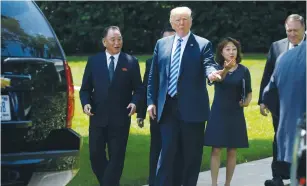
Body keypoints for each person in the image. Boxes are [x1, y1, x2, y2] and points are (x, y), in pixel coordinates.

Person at [147, 7, 235, 186]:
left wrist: (212, 74)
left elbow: (208, 64)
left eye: (185, 19)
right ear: (172, 22)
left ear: (191, 21)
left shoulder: (203, 44)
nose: (181, 23)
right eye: (177, 20)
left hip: (192, 110)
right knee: (166, 155)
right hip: (167, 108)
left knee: (191, 157)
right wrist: (150, 102)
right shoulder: (161, 44)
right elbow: (153, 76)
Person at [79, 26, 143, 186]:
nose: (117, 43)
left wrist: (135, 102)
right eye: (113, 39)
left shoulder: (131, 62)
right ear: (104, 42)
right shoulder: (94, 61)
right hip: (97, 117)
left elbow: (140, 89)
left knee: (117, 157)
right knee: (95, 155)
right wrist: (86, 103)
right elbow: (85, 89)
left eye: (119, 39)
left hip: (121, 118)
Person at [258, 14, 305, 186]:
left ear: (304, 28)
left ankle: (300, 177)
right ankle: (278, 176)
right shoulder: (277, 46)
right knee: (279, 138)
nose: (292, 34)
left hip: (301, 105)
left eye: (295, 30)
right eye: (289, 31)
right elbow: (268, 74)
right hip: (280, 105)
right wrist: (262, 101)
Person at [204, 37, 252, 186]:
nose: (231, 52)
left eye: (234, 49)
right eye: (228, 49)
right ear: (221, 52)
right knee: (216, 149)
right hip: (218, 112)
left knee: (232, 150)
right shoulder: (216, 68)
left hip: (236, 113)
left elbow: (249, 92)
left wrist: (246, 102)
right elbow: (217, 79)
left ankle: (227, 183)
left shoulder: (244, 70)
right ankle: (214, 184)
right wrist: (225, 69)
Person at [137, 28, 179, 186]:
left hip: (177, 112)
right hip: (157, 113)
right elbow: (147, 87)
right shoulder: (151, 62)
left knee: (173, 149)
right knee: (156, 148)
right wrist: (141, 113)